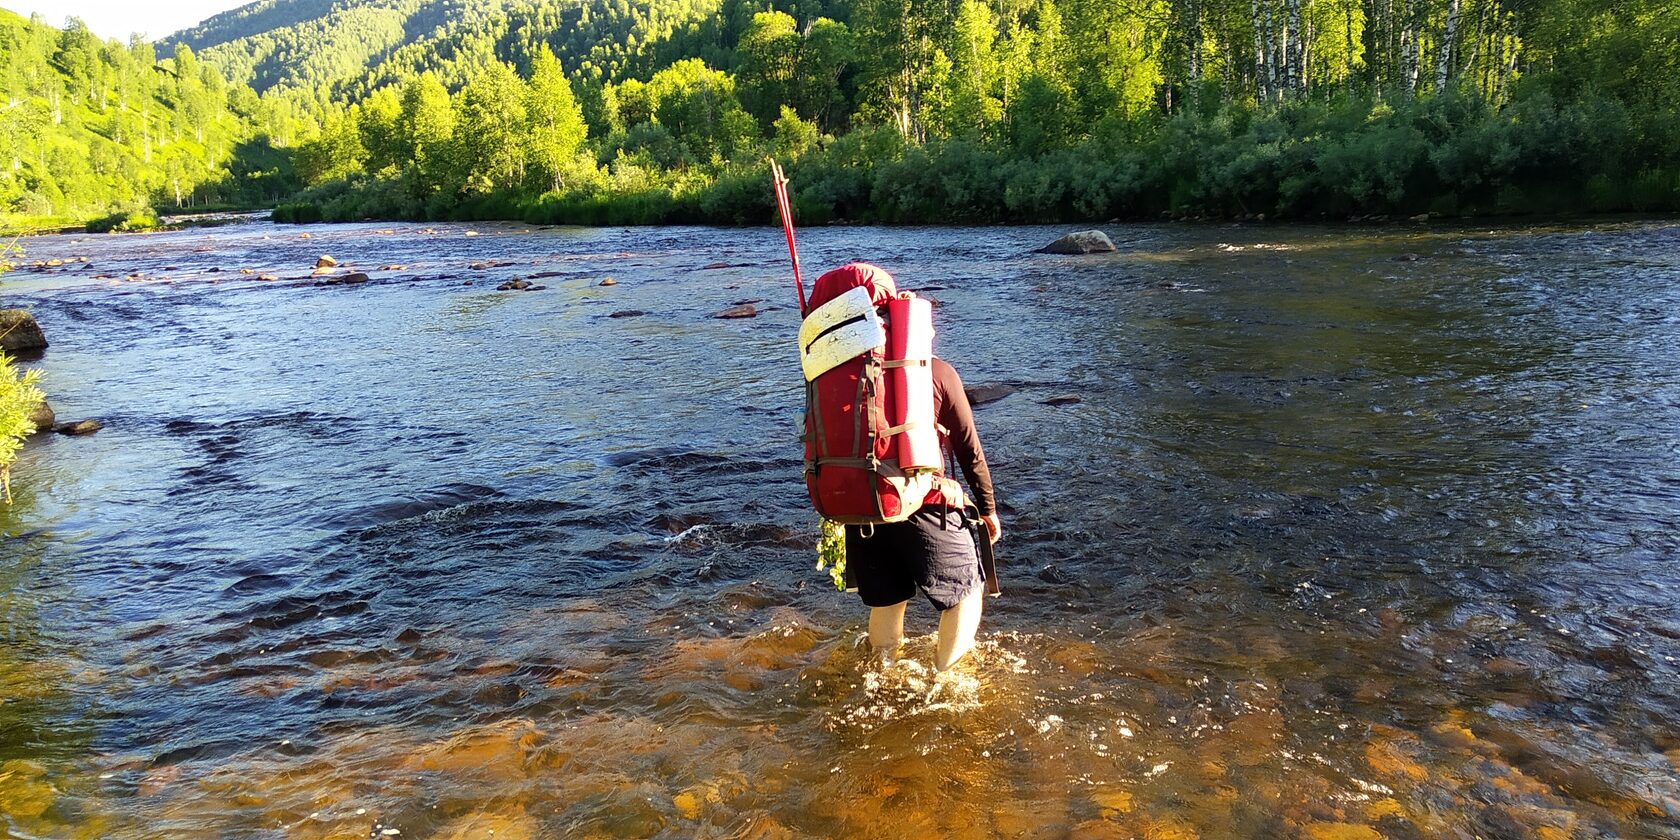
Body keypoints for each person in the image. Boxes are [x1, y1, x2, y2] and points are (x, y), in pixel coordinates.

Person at [845, 355, 1000, 671]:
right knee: (966, 596)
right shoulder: (937, 371)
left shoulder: (846, 372)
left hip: (864, 510)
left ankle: (882, 679)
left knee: (888, 602)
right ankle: (947, 681)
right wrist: (988, 509)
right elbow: (968, 449)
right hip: (923, 504)